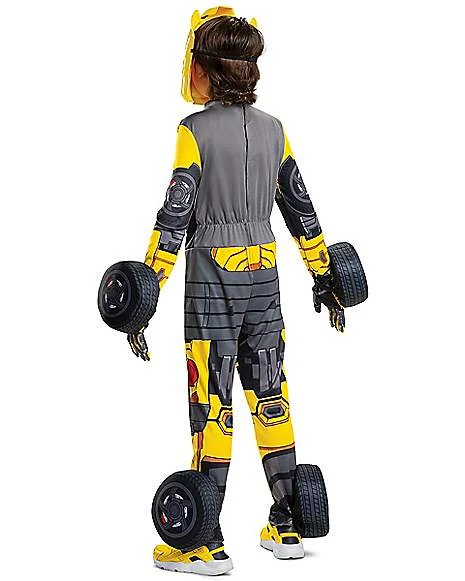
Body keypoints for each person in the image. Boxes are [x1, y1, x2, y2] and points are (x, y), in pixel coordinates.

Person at [129, 6, 344, 575]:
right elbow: (300, 207)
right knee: (270, 393)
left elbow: (174, 216)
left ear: (202, 68)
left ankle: (203, 541)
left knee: (212, 401)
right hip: (265, 277)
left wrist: (146, 290)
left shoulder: (193, 132)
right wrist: (324, 274)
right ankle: (288, 523)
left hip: (212, 283)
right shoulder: (275, 130)